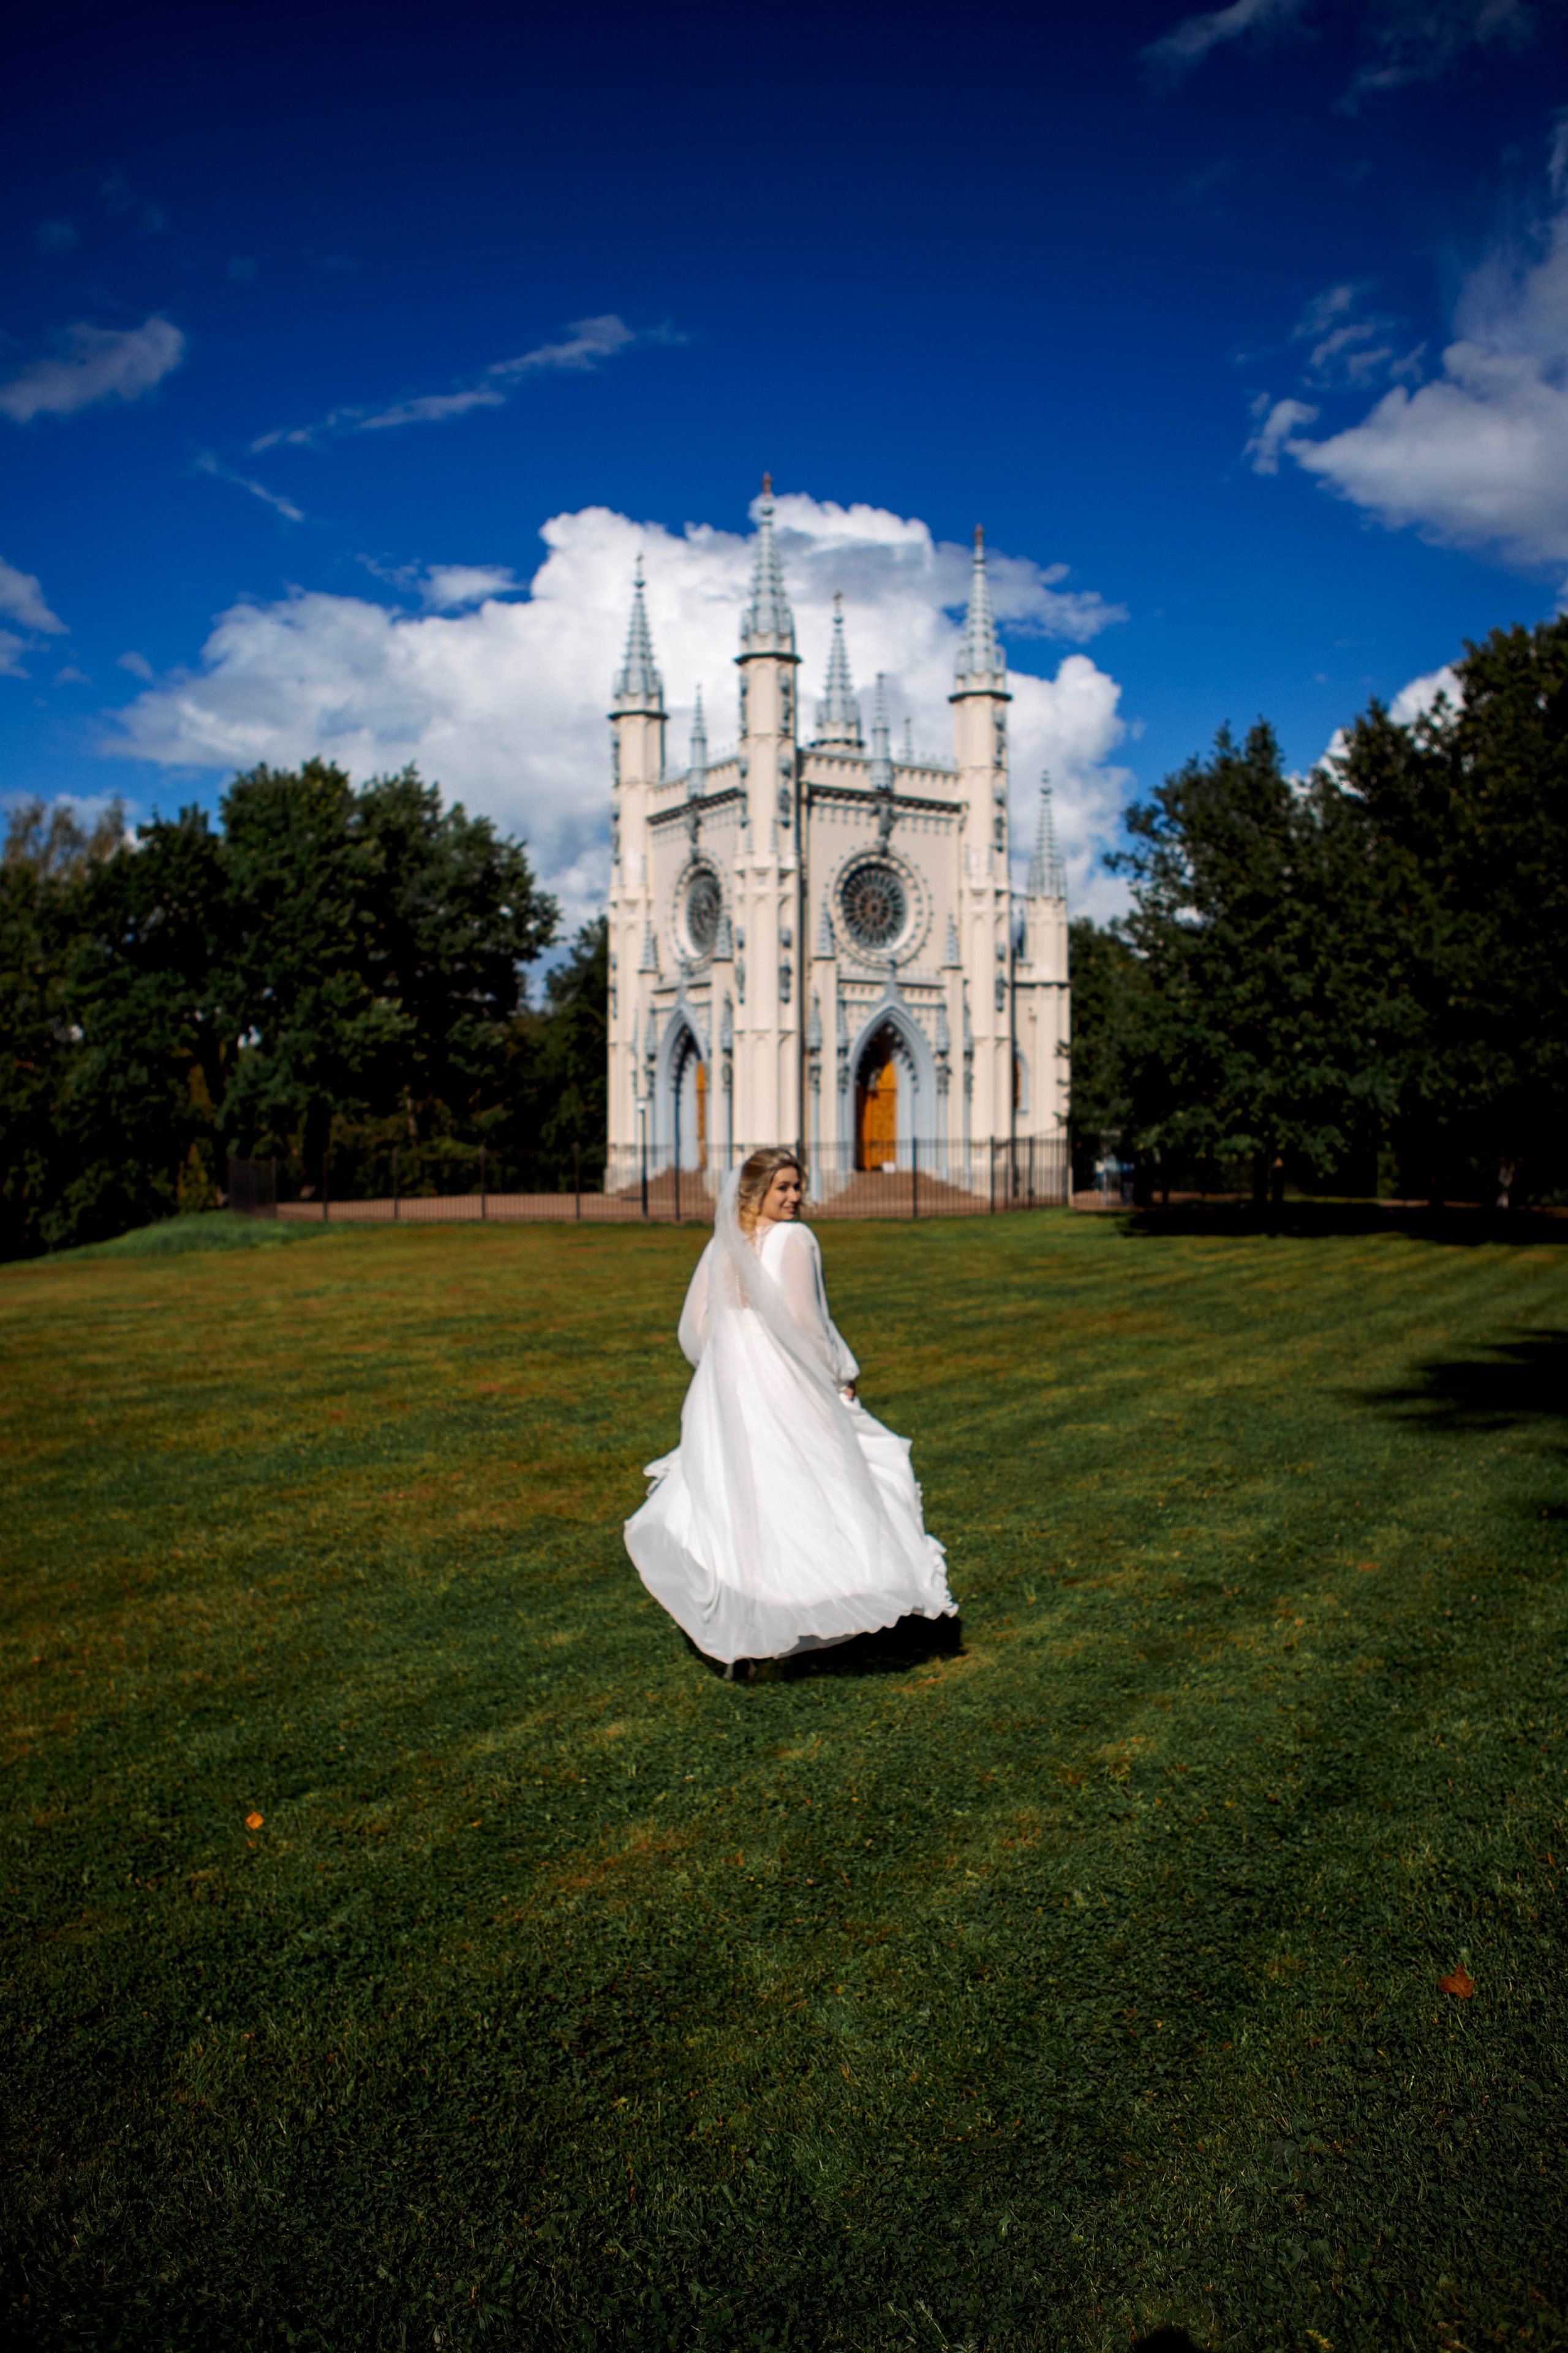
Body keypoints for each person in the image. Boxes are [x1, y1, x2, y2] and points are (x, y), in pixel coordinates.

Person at [624, 1146, 956, 1677]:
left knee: (745, 1492)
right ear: (756, 1192)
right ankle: (823, 1597)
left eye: (798, 1186)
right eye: (783, 1187)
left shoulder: (723, 1246)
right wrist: (839, 1375)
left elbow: (697, 1327)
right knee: (816, 1483)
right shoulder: (794, 1240)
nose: (796, 1197)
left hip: (729, 1384)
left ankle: (746, 1624)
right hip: (782, 1376)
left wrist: (726, 1361)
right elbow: (807, 1320)